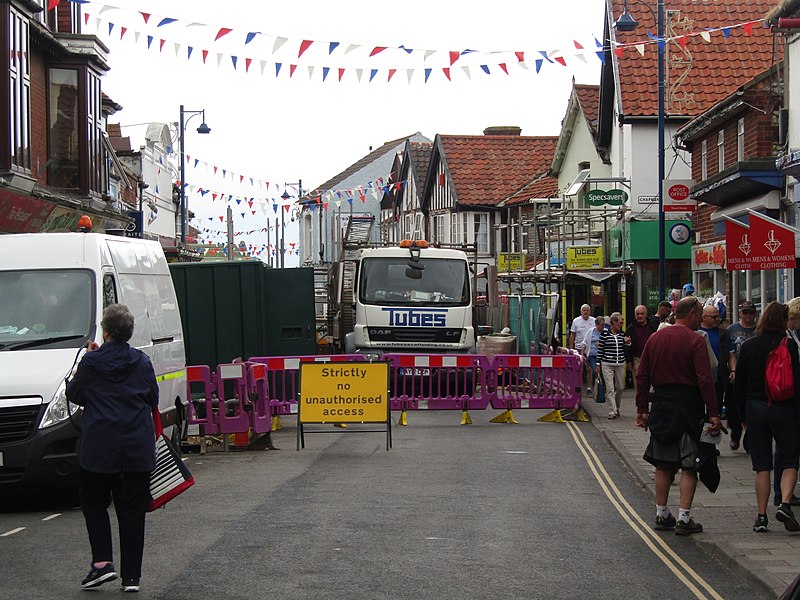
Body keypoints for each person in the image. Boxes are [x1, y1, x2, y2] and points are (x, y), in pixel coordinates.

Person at [66, 304, 159, 592]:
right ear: (129, 333)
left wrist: (90, 359)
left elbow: (74, 393)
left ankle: (102, 564)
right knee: (132, 510)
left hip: (99, 448)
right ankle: (132, 577)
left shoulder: (92, 363)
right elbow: (152, 399)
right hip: (136, 448)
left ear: (105, 332)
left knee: (93, 502)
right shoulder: (142, 362)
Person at [635, 296, 721, 536]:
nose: (701, 318)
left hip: (661, 405)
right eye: (700, 313)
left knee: (662, 464)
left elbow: (642, 376)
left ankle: (661, 514)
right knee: (689, 465)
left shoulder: (655, 339)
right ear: (692, 313)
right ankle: (684, 518)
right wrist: (714, 413)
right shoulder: (696, 340)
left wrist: (642, 409)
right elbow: (705, 379)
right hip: (688, 406)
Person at [734, 301, 800, 533]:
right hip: (784, 408)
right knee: (790, 459)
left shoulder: (750, 346)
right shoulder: (789, 345)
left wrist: (742, 417)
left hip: (755, 407)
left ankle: (761, 517)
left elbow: (739, 385)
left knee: (762, 466)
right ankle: (784, 504)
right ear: (783, 321)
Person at [727, 300, 757, 451]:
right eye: (745, 312)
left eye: (751, 312)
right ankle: (735, 434)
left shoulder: (759, 330)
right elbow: (730, 352)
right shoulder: (731, 329)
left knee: (750, 405)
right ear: (740, 313)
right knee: (734, 405)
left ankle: (749, 438)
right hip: (737, 373)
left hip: (753, 374)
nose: (748, 315)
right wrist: (733, 371)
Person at [596, 312, 630, 419]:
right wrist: (598, 363)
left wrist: (628, 343)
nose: (622, 324)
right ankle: (612, 411)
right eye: (620, 322)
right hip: (607, 363)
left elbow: (627, 350)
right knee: (610, 388)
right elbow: (600, 350)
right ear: (613, 322)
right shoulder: (604, 335)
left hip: (620, 363)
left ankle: (617, 407)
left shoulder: (622, 334)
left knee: (620, 388)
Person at [699, 304, 730, 416]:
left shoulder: (724, 333)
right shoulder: (696, 332)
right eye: (713, 317)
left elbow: (730, 353)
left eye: (718, 316)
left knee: (715, 407)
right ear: (703, 317)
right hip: (701, 375)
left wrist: (733, 370)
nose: (717, 319)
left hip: (719, 376)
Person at [625, 305, 659, 392]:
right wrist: (628, 361)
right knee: (639, 382)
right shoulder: (631, 329)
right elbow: (626, 347)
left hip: (651, 357)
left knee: (652, 381)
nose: (639, 316)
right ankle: (640, 401)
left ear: (646, 314)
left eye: (642, 314)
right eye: (637, 314)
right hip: (637, 358)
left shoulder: (653, 327)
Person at [569, 304, 595, 394]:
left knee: (589, 369)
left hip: (589, 349)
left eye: (587, 310)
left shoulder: (594, 321)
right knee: (579, 369)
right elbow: (572, 335)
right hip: (578, 348)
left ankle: (589, 388)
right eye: (584, 310)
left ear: (590, 311)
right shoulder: (576, 321)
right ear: (581, 312)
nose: (586, 312)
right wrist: (571, 349)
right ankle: (577, 387)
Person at [581, 316, 606, 403]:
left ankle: (599, 388)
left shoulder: (606, 332)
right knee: (595, 371)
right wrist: (582, 353)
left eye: (604, 325)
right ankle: (592, 388)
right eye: (601, 325)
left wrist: (602, 344)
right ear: (596, 325)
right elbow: (584, 342)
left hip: (602, 355)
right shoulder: (591, 331)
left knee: (602, 372)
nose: (603, 327)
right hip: (592, 355)